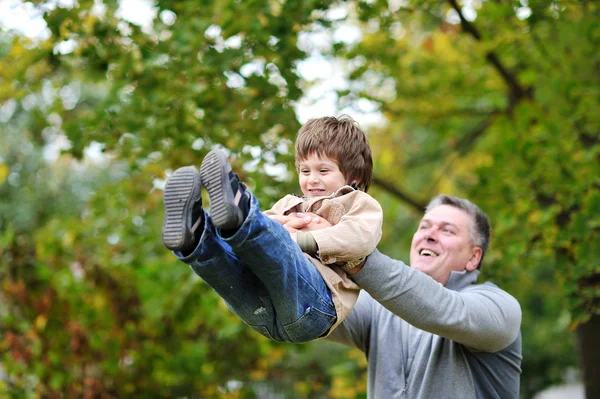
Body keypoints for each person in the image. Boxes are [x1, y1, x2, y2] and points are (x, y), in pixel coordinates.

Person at [273, 194, 522, 398]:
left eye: (447, 230)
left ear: (473, 257)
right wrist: (270, 245)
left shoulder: (501, 309)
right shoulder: (378, 308)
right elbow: (307, 305)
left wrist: (347, 248)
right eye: (424, 226)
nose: (429, 234)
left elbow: (443, 309)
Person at [161, 115, 383, 343]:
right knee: (229, 265)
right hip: (261, 312)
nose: (312, 180)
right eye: (305, 171)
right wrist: (277, 224)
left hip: (314, 307)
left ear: (353, 176)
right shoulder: (288, 203)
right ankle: (197, 237)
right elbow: (258, 238)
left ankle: (240, 204)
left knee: (266, 238)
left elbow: (360, 238)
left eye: (323, 171)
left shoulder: (357, 204)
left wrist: (301, 239)